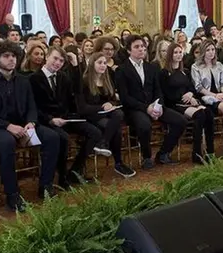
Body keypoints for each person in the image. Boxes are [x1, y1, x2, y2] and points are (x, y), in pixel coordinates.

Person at [0, 40, 63, 211]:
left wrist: (31, 122)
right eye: (6, 56)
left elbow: (31, 107)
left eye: (14, 56)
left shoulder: (23, 80)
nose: (11, 59)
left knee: (52, 137)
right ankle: (12, 194)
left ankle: (45, 186)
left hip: (22, 125)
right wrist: (7, 126)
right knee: (7, 143)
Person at [30, 46, 111, 187]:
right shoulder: (33, 79)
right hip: (46, 120)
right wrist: (50, 119)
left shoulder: (63, 77)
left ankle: (75, 171)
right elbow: (33, 107)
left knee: (95, 132)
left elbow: (77, 91)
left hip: (65, 118)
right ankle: (62, 177)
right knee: (63, 139)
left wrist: (75, 66)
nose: (58, 63)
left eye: (61, 61)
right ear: (47, 56)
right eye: (55, 58)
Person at [115, 35, 187, 169]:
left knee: (180, 121)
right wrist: (146, 108)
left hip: (154, 105)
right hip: (135, 108)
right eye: (137, 47)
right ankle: (147, 157)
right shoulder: (122, 70)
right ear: (129, 50)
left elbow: (158, 90)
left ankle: (163, 153)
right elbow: (125, 98)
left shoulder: (151, 68)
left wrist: (157, 105)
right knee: (144, 125)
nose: (141, 49)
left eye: (143, 46)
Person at [77, 52, 135, 178]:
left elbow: (113, 99)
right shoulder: (85, 81)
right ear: (92, 64)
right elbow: (82, 107)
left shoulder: (107, 79)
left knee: (118, 115)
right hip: (91, 115)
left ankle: (103, 143)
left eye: (104, 63)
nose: (103, 65)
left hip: (107, 115)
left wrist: (110, 103)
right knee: (116, 128)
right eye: (99, 62)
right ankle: (118, 163)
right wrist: (102, 107)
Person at [161, 43, 215, 163]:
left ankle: (210, 152)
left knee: (209, 114)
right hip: (175, 104)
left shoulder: (185, 71)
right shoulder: (164, 73)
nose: (178, 55)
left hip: (188, 101)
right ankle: (196, 153)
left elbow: (191, 87)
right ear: (170, 55)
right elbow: (167, 94)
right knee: (200, 115)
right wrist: (184, 97)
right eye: (175, 52)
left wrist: (190, 94)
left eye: (180, 52)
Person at [191, 40, 223, 157]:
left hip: (221, 95)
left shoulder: (219, 65)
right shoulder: (196, 67)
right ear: (203, 52)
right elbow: (198, 87)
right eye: (208, 50)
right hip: (207, 97)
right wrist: (215, 95)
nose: (211, 53)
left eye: (213, 50)